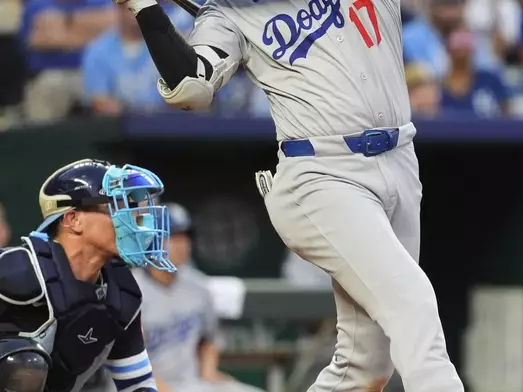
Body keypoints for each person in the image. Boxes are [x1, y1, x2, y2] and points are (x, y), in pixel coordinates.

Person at [114, 0, 465, 390]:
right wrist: (145, 7)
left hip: (399, 158)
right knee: (411, 300)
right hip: (321, 174)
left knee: (366, 364)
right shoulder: (229, 12)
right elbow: (189, 88)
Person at [0, 158, 175, 392]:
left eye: (132, 207)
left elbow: (138, 384)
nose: (134, 218)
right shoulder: (18, 268)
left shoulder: (121, 293)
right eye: (117, 205)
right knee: (22, 363)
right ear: (73, 219)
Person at [134, 202, 264, 392]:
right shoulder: (131, 291)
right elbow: (131, 363)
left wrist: (208, 374)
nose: (182, 245)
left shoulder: (198, 285)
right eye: (172, 237)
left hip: (192, 384)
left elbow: (208, 339)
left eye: (186, 237)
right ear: (150, 241)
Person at [439, 27, 512, 118]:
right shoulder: (438, 87)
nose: (463, 54)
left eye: (466, 49)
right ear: (449, 51)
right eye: (459, 49)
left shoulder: (489, 80)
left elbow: (507, 110)